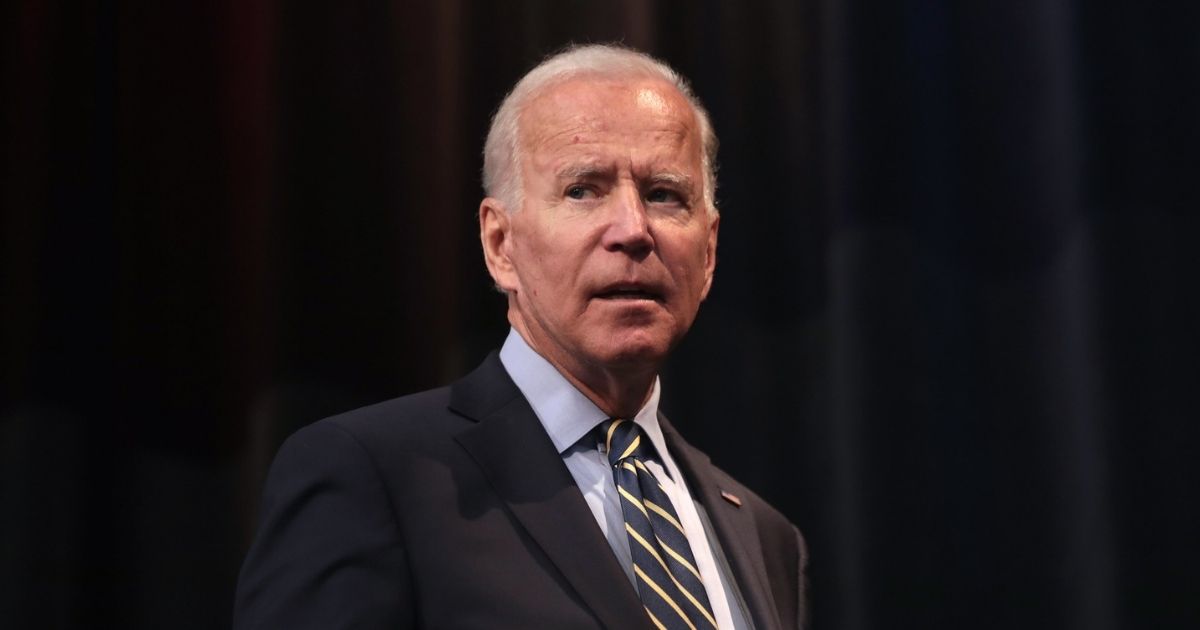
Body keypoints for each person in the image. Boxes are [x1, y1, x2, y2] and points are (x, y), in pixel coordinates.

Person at [233, 44, 807, 630]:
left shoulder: (763, 535)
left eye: (664, 194)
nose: (634, 230)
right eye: (583, 189)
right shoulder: (371, 477)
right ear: (500, 245)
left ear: (708, 252)